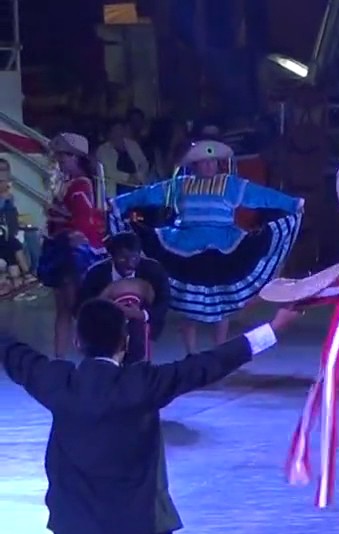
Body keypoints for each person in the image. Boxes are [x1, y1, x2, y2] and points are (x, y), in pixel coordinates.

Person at [0, 299, 303, 534]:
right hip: (134, 530)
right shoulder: (145, 383)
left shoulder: (55, 380)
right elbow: (209, 364)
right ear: (124, 343)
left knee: (71, 506)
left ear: (78, 342)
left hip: (76, 526)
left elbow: (12, 351)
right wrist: (275, 327)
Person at [108, 140, 304, 355]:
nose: (210, 166)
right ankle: (191, 353)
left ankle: (218, 352)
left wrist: (292, 204)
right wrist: (120, 203)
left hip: (224, 247)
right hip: (184, 247)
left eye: (213, 162)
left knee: (221, 306)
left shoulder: (230, 184)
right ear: (194, 165)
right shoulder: (180, 184)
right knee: (189, 306)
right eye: (204, 162)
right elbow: (149, 194)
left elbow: (262, 196)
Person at [37, 133, 107, 358]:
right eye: (58, 155)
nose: (59, 159)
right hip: (61, 249)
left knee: (74, 307)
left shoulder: (81, 184)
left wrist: (71, 232)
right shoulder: (66, 183)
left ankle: (90, 357)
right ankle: (61, 359)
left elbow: (83, 219)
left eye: (64, 155)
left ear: (76, 157)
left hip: (72, 253)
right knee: (65, 309)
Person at [76, 231, 171, 365]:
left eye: (134, 258)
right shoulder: (96, 274)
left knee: (137, 337)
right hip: (105, 323)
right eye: (123, 258)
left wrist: (141, 314)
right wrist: (108, 309)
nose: (129, 264)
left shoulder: (153, 270)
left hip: (142, 321)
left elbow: (163, 300)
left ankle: (131, 367)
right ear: (112, 257)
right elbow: (82, 306)